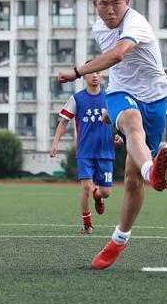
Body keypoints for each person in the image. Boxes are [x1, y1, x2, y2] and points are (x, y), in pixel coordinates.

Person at [57, 0, 167, 270]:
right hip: (121, 93)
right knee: (132, 122)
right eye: (103, 4)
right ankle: (153, 171)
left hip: (156, 99)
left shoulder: (136, 22)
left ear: (127, 2)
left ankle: (119, 238)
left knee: (132, 180)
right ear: (94, 3)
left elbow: (119, 54)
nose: (110, 10)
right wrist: (113, 109)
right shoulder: (99, 26)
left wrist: (77, 71)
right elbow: (117, 66)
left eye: (116, 4)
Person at [50, 69, 117, 234]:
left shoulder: (110, 97)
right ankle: (87, 224)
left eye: (98, 73)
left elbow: (121, 119)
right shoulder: (77, 98)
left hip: (105, 151)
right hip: (84, 152)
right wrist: (55, 143)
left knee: (106, 192)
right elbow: (63, 122)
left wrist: (120, 136)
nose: (94, 75)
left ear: (102, 76)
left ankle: (98, 195)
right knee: (85, 187)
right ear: (85, 76)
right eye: (91, 73)